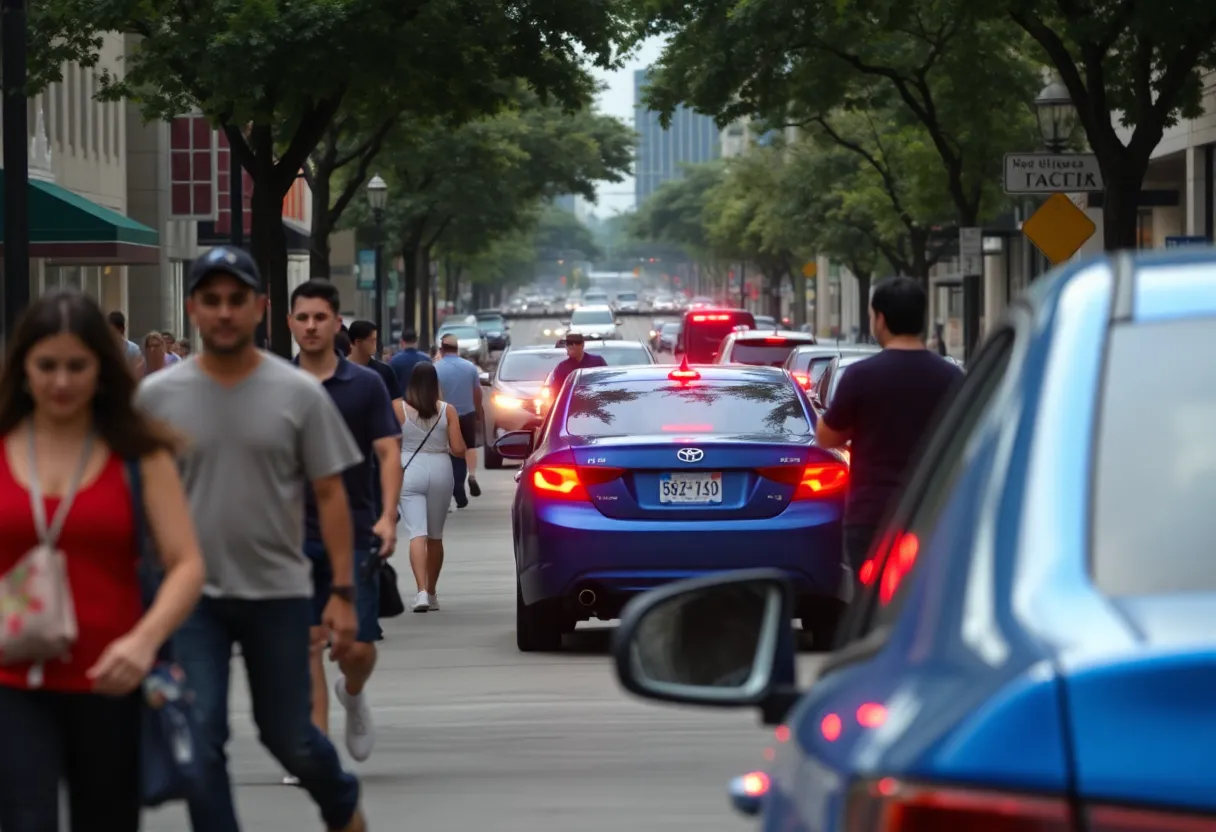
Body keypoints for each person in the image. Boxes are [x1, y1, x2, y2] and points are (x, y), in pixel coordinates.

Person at [135, 246, 368, 832]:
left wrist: (341, 591)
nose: (224, 312)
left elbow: (331, 495)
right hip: (191, 600)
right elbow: (132, 500)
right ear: (192, 308)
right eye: (210, 300)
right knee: (203, 735)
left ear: (261, 308)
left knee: (289, 736)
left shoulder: (297, 394)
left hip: (278, 591)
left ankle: (341, 805)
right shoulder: (156, 400)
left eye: (237, 300)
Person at [0, 291, 205, 832]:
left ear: (102, 368)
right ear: (23, 367)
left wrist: (143, 642)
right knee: (25, 819)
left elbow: (186, 563)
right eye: (47, 365)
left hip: (110, 679)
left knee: (107, 818)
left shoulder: (139, 454)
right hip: (10, 679)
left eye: (77, 366)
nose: (61, 381)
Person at [287, 281, 402, 769]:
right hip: (289, 537)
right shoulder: (276, 383)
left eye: (320, 317)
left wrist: (387, 516)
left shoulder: (365, 385)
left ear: (337, 323)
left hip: (354, 532)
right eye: (302, 317)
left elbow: (388, 451)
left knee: (355, 647)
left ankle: (353, 694)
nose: (311, 326)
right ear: (291, 323)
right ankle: (314, 753)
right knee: (308, 644)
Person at [815, 276, 963, 578]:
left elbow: (826, 437)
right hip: (933, 513)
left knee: (873, 605)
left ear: (880, 319)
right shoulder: (951, 377)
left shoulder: (860, 376)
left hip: (872, 516)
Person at [399, 362, 466, 612]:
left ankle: (421, 593)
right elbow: (459, 449)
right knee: (435, 536)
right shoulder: (447, 410)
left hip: (409, 467)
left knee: (417, 532)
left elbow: (390, 443)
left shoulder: (398, 408)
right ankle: (434, 591)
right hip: (440, 467)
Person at [433, 333, 482, 507]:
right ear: (457, 349)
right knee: (468, 447)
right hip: (467, 413)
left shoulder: (436, 368)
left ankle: (455, 485)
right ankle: (472, 474)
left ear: (442, 349)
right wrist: (478, 411)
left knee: (450, 452)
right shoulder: (470, 367)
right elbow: (477, 392)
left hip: (445, 414)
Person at [347, 320, 405, 424]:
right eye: (371, 340)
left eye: (375, 340)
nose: (375, 344)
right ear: (358, 342)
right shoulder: (339, 371)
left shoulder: (384, 371)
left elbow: (397, 404)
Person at [388, 327, 429, 395]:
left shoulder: (395, 360)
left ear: (402, 341)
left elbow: (391, 385)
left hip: (402, 402)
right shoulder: (426, 359)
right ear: (417, 341)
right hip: (423, 401)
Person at [107, 310, 144, 375]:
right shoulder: (104, 349)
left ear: (121, 329)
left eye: (112, 331)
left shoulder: (134, 350)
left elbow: (138, 374)